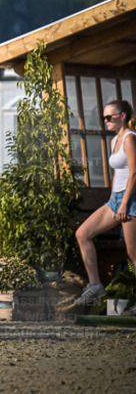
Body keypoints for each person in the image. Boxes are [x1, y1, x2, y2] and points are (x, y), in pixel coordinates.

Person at [70, 99, 136, 309]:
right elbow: (118, 172)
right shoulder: (114, 140)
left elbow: (134, 173)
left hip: (131, 199)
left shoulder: (129, 139)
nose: (106, 120)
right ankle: (96, 286)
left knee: (133, 253)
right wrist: (113, 200)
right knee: (83, 234)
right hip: (115, 199)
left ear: (123, 116)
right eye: (104, 117)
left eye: (110, 117)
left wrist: (125, 203)